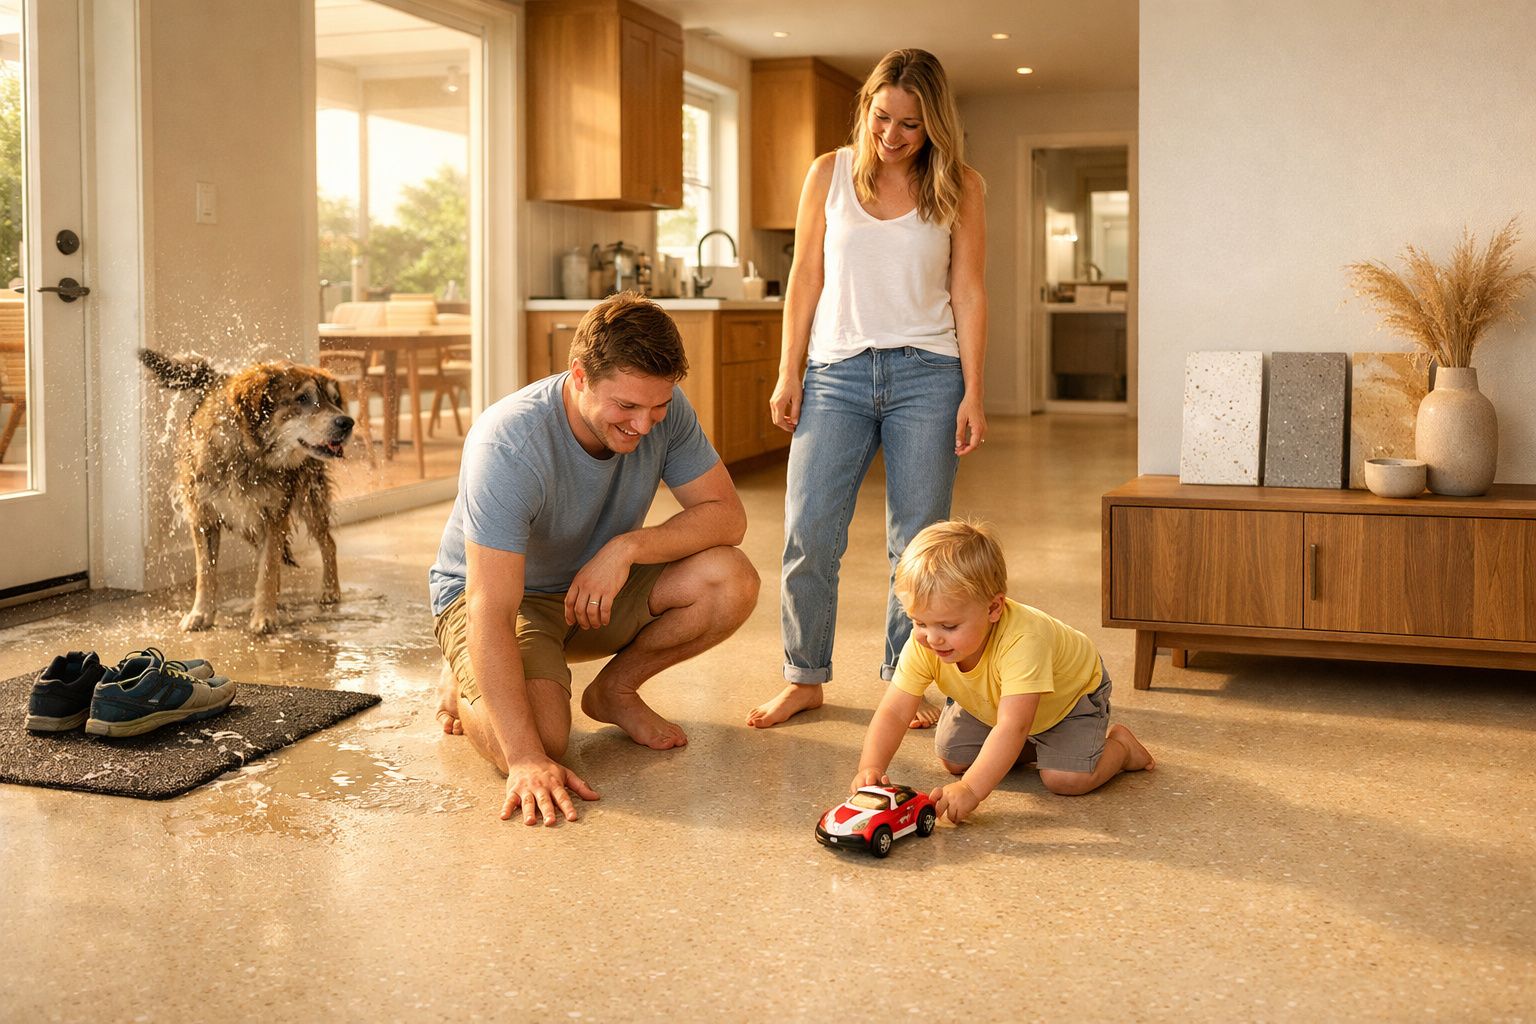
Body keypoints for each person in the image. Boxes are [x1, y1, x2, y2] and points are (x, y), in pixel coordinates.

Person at [430, 293, 760, 827]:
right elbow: (490, 606)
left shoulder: (662, 411)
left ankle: (615, 690)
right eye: (627, 407)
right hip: (499, 599)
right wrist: (524, 759)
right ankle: (458, 668)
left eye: (658, 407)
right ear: (579, 376)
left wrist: (626, 548)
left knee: (731, 578)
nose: (644, 425)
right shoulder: (509, 444)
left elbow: (727, 517)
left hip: (595, 589)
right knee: (546, 741)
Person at [747, 48, 988, 730]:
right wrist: (788, 369)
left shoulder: (961, 186)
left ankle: (903, 681)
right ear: (866, 110)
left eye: (911, 125)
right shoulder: (827, 174)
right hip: (836, 374)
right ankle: (803, 677)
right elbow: (806, 282)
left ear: (934, 123)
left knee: (917, 546)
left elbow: (968, 294)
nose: (892, 136)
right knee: (809, 533)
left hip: (929, 376)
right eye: (882, 117)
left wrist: (974, 390)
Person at [851, 520, 1153, 823]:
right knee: (954, 757)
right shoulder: (928, 641)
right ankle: (1036, 747)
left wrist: (970, 789)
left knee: (1064, 779)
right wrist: (870, 767)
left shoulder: (1023, 640)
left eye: (949, 626)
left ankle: (1122, 748)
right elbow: (894, 712)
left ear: (993, 608)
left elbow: (1012, 726)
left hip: (1070, 700)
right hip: (1000, 703)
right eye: (919, 622)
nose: (932, 638)